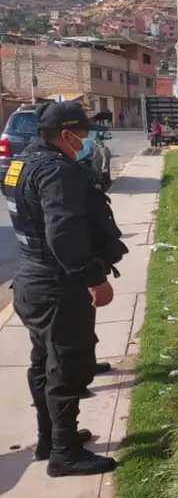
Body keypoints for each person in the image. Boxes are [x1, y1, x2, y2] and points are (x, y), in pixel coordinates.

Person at [1, 102, 125, 476]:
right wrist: (93, 278)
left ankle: (51, 438)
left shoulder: (23, 164)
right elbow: (64, 233)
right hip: (58, 284)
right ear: (66, 135)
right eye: (83, 135)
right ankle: (64, 454)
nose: (86, 141)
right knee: (68, 367)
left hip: (32, 278)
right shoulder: (57, 172)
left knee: (44, 362)